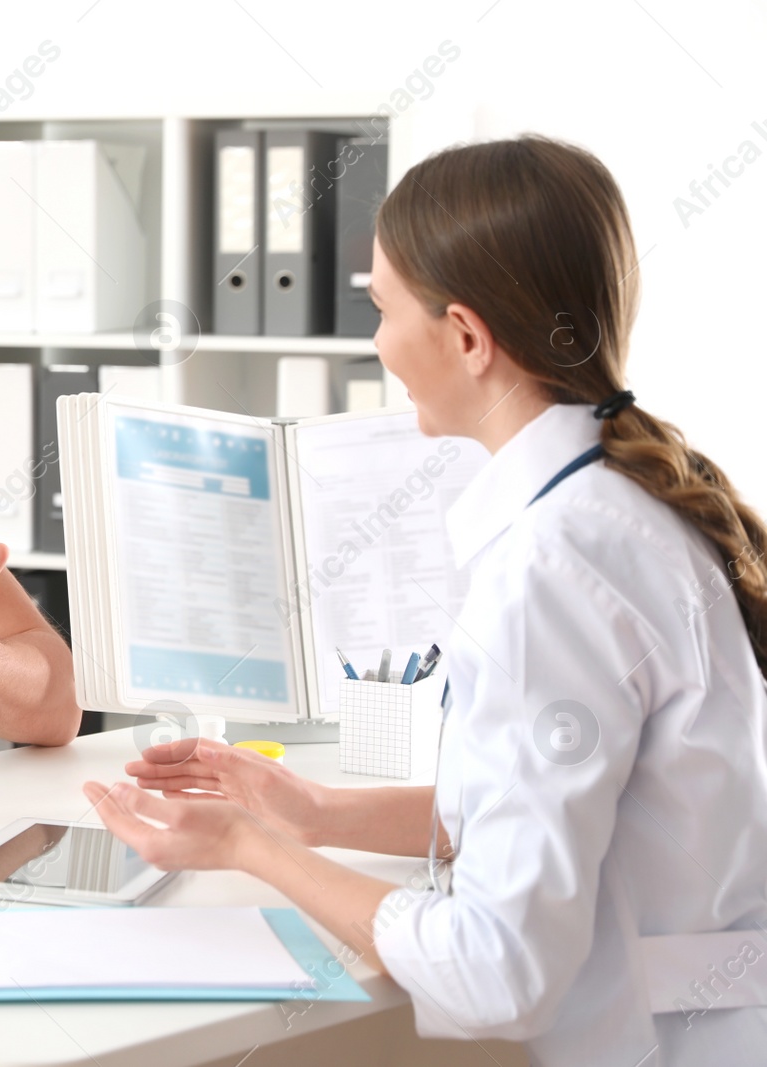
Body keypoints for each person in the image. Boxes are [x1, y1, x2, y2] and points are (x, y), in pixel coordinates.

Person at [85, 136, 767, 1065]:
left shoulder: (551, 570)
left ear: (467, 336)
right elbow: (567, 800)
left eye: (381, 307)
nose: (376, 343)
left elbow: (498, 973)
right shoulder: (624, 503)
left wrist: (252, 846)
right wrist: (316, 811)